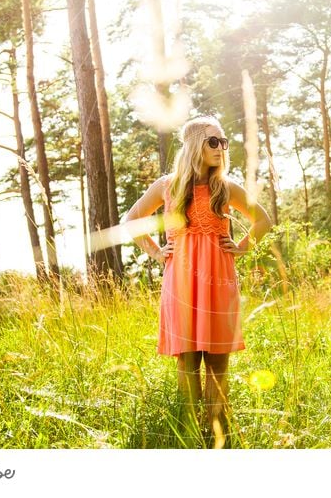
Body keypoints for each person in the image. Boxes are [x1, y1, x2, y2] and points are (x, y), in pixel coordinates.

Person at [124, 116, 273, 447]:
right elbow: (132, 219)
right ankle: (191, 434)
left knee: (218, 363)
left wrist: (243, 247)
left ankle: (218, 432)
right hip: (181, 283)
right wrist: (156, 252)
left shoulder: (226, 187)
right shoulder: (169, 186)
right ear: (194, 145)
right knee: (188, 361)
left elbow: (263, 220)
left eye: (223, 142)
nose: (221, 149)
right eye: (213, 142)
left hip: (219, 282)